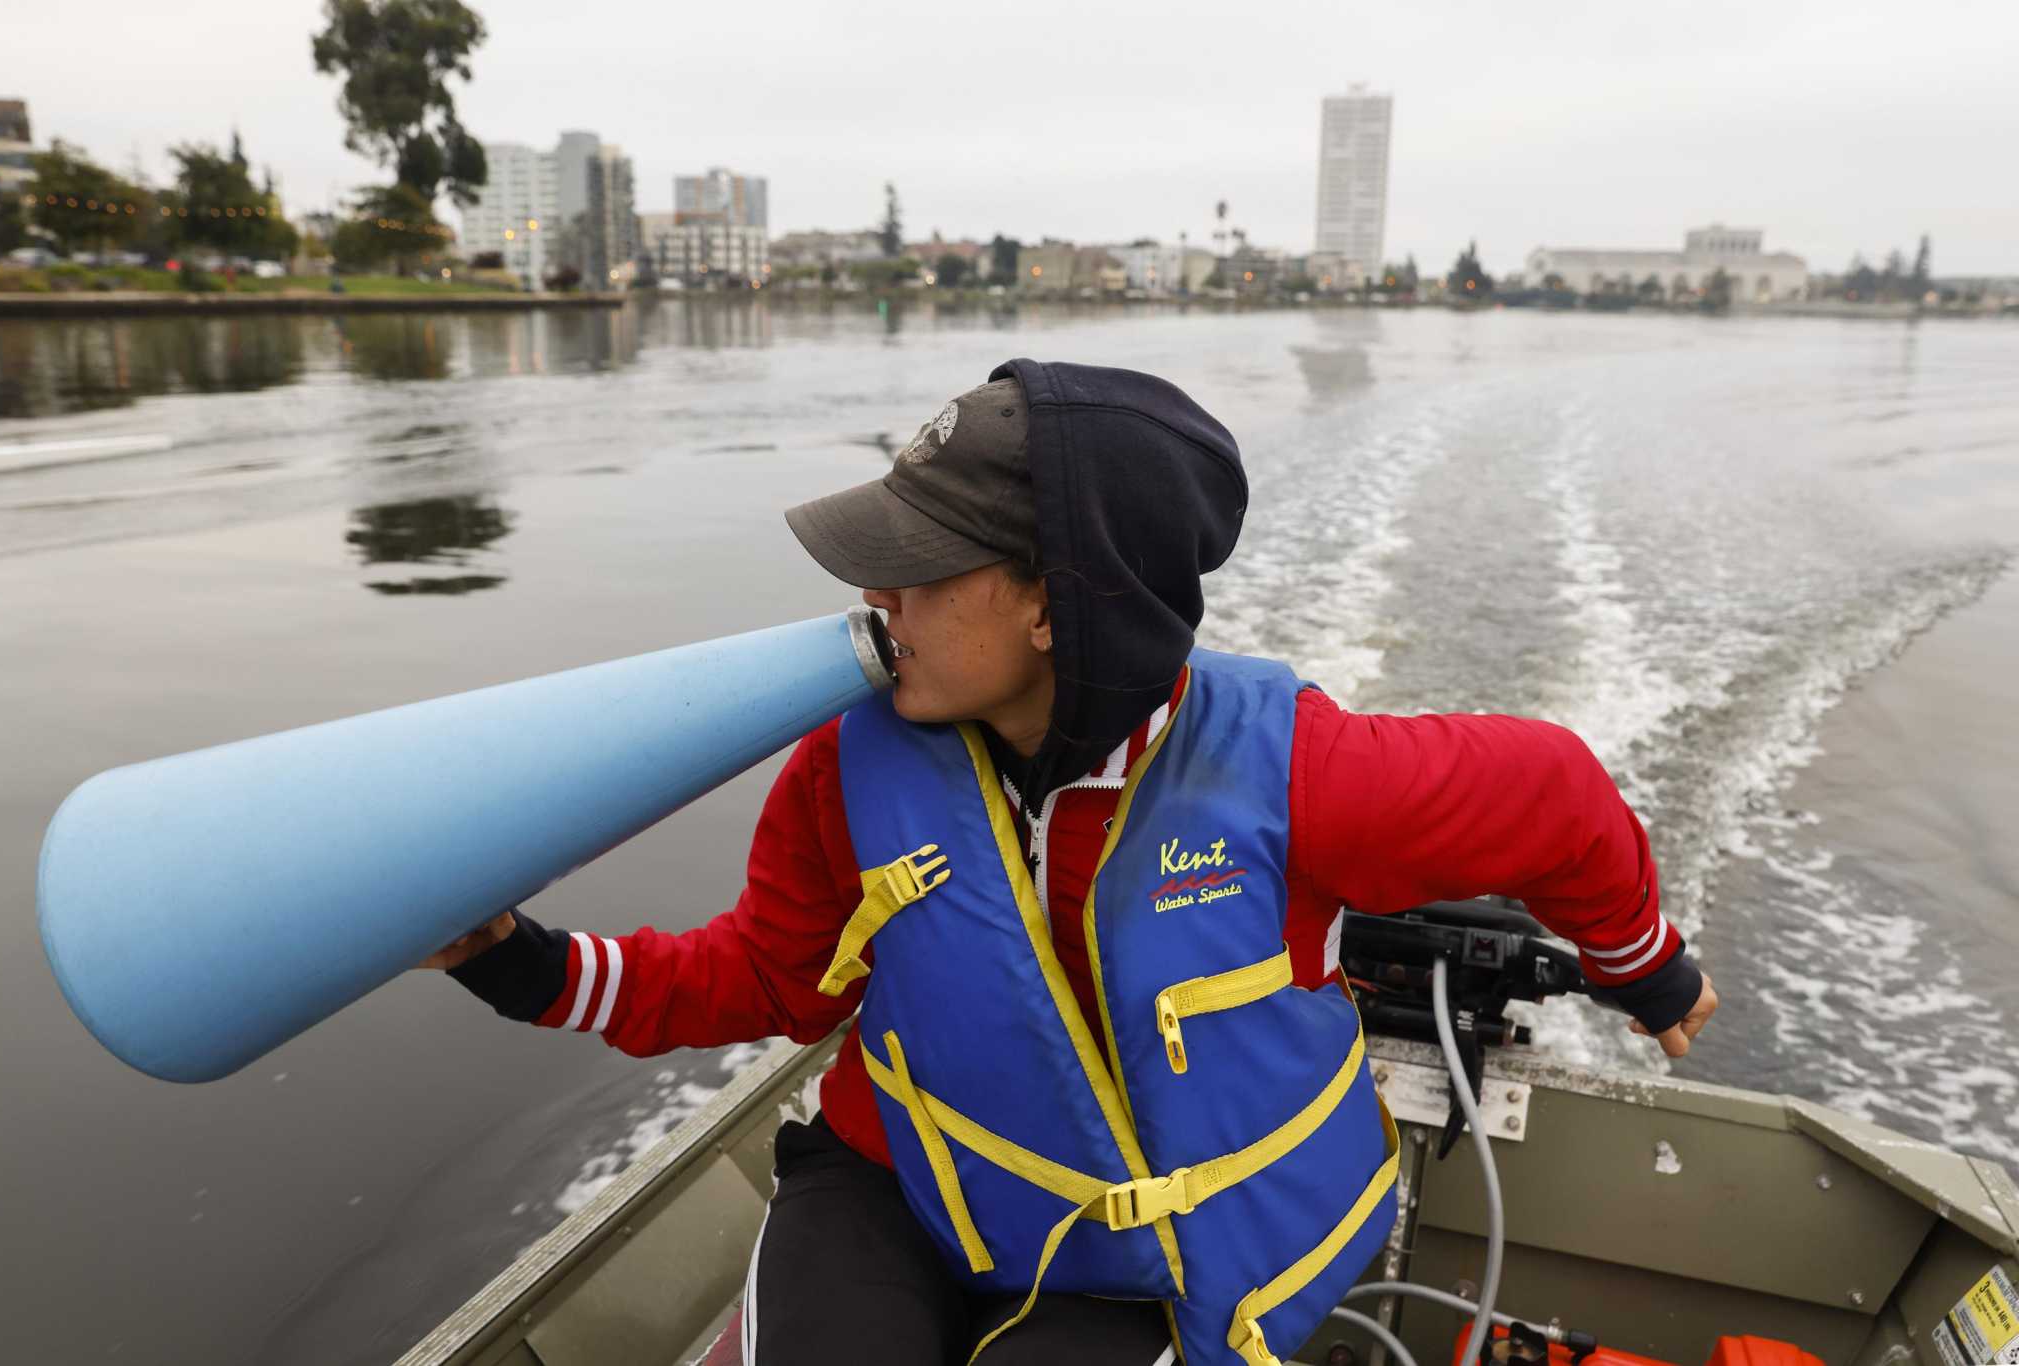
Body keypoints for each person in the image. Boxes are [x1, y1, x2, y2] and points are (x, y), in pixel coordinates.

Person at [425, 360, 1718, 1366]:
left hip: (1134, 1249)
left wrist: (1646, 970)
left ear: (1053, 601)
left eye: (916, 571)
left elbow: (1558, 799)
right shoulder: (847, 766)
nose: (877, 605)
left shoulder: (1297, 776)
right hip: (898, 1186)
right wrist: (519, 963)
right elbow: (767, 978)